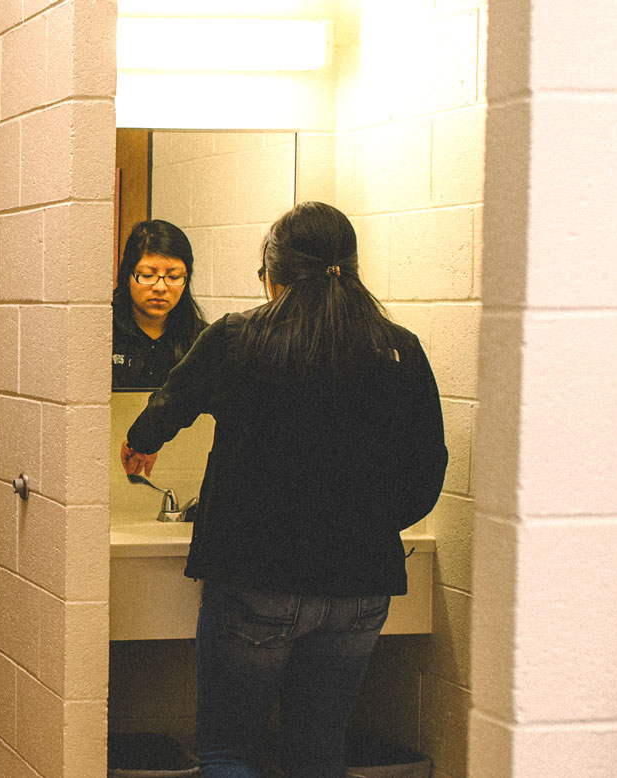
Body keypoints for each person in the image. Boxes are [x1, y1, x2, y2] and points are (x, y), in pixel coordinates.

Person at [119, 202, 447, 778]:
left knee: (228, 748)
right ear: (350, 267)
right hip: (360, 582)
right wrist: (372, 523)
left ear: (272, 275)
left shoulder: (238, 338)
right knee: (318, 750)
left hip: (255, 577)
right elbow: (428, 467)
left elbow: (166, 407)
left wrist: (142, 442)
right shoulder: (399, 348)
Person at [113, 219, 209, 389]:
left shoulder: (202, 339)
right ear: (127, 277)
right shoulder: (104, 333)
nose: (160, 287)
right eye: (147, 275)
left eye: (174, 277)